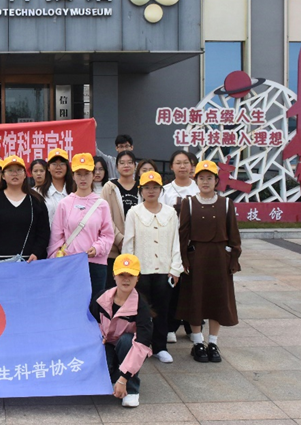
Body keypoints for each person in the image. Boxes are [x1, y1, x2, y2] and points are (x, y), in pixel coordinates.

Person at [177, 161, 242, 364]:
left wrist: (233, 259)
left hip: (219, 258)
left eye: (209, 178)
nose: (205, 182)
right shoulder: (189, 203)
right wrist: (183, 260)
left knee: (217, 300)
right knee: (196, 299)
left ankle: (213, 342)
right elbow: (183, 235)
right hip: (197, 258)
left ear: (216, 181)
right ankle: (197, 342)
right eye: (201, 178)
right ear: (195, 180)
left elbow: (234, 235)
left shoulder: (226, 203)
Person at [122, 170, 183, 364]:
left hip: (164, 270)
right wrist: (129, 271)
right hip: (141, 271)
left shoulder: (170, 213)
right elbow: (129, 243)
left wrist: (175, 269)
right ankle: (140, 345)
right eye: (147, 188)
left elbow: (175, 242)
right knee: (140, 311)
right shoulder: (134, 213)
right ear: (141, 190)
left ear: (160, 190)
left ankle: (160, 347)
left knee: (162, 310)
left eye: (155, 187)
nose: (151, 191)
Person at [48, 153, 114, 302]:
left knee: (94, 305)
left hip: (96, 264)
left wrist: (97, 248)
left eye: (87, 173)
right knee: (70, 304)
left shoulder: (102, 204)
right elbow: (56, 237)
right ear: (73, 176)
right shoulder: (64, 204)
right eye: (79, 174)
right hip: (70, 263)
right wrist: (56, 259)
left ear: (93, 175)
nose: (83, 178)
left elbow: (108, 235)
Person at [90, 254, 153, 409]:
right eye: (121, 275)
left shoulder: (141, 307)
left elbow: (141, 345)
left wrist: (124, 379)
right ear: (114, 276)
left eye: (131, 275)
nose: (126, 280)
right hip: (106, 344)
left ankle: (131, 389)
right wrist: (98, 336)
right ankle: (114, 377)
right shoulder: (101, 298)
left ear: (137, 278)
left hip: (128, 346)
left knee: (126, 341)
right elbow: (90, 323)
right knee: (102, 371)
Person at [0, 156, 50, 263]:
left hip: (28, 262)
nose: (15, 174)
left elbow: (43, 232)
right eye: (10, 171)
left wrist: (36, 253)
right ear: (3, 176)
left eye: (18, 170)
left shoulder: (36, 200)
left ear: (25, 175)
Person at [161, 150, 199, 344]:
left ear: (191, 166)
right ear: (172, 166)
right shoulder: (165, 191)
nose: (182, 166)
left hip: (194, 246)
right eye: (178, 163)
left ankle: (193, 326)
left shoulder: (199, 189)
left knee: (194, 288)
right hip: (171, 245)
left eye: (186, 163)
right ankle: (170, 327)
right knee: (173, 287)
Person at [39, 148, 75, 228]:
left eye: (62, 164)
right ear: (48, 168)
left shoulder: (75, 190)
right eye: (54, 164)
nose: (58, 167)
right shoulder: (39, 192)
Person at [110, 151, 138, 216]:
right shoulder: (110, 187)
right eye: (122, 163)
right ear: (117, 167)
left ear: (135, 166)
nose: (126, 165)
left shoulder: (142, 187)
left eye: (130, 162)